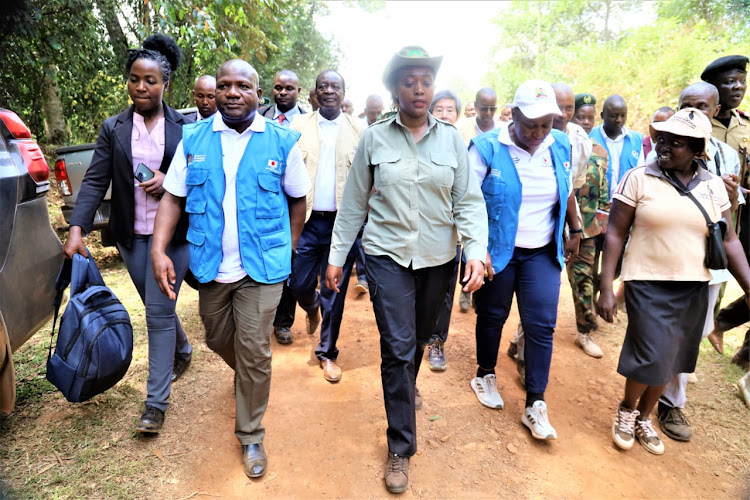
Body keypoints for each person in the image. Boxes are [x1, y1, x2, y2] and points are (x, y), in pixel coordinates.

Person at [325, 46, 487, 494]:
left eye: (426, 81)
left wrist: (475, 250)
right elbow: (355, 202)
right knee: (396, 348)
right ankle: (400, 446)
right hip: (385, 257)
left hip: (438, 259)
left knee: (416, 340)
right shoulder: (375, 138)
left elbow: (469, 201)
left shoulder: (453, 139)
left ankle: (406, 383)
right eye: (409, 81)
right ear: (395, 89)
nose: (419, 88)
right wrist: (338, 256)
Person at [151, 59, 310, 478]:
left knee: (255, 348)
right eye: (224, 86)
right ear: (214, 93)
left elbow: (298, 199)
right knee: (218, 337)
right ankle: (251, 378)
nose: (232, 92)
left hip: (263, 268)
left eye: (243, 85)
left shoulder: (282, 142)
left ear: (258, 94)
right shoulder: (194, 140)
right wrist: (158, 248)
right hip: (211, 266)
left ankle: (251, 433)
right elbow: (172, 197)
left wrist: (288, 248)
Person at [597, 108, 750, 456]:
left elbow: (729, 241)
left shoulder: (714, 187)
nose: (664, 147)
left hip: (694, 285)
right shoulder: (638, 178)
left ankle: (644, 417)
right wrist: (607, 287)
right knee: (651, 353)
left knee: (673, 359)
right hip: (646, 282)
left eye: (675, 143)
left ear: (698, 149)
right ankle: (626, 409)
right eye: (662, 140)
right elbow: (615, 233)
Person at [62, 33, 194, 433]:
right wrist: (76, 228)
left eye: (150, 80)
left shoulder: (186, 126)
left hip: (174, 237)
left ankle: (155, 404)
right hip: (132, 237)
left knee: (156, 314)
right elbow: (95, 180)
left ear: (165, 84)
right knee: (159, 304)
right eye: (135, 79)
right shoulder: (113, 127)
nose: (141, 86)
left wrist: (168, 179)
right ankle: (183, 348)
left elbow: (201, 176)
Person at [469, 79, 581, 442]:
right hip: (498, 250)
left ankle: (536, 402)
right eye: (530, 123)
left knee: (541, 324)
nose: (538, 132)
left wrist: (575, 227)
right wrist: (476, 247)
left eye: (546, 124)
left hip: (542, 251)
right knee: (492, 315)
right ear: (513, 114)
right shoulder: (487, 148)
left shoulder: (559, 144)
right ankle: (485, 373)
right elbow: (467, 201)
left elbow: (568, 190)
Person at [657, 82, 742, 443]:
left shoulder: (728, 155)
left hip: (711, 264)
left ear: (716, 109)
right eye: (686, 105)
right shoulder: (663, 151)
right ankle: (656, 400)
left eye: (702, 106)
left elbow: (729, 218)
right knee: (662, 334)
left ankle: (670, 398)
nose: (694, 112)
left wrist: (734, 197)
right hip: (669, 261)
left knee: (691, 333)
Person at [288, 70, 364, 383]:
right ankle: (311, 305)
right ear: (315, 93)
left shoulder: (360, 129)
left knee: (335, 289)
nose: (329, 90)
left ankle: (327, 353)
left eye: (335, 86)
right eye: (323, 86)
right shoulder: (298, 127)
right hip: (305, 222)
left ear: (344, 92)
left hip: (341, 225)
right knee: (298, 285)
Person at [702, 55, 750, 374]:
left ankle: (744, 351)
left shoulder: (746, 124)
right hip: (711, 219)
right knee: (712, 283)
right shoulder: (700, 121)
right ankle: (706, 327)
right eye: (729, 82)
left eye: (741, 81)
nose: (737, 87)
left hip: (743, 218)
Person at [257, 70, 307, 345]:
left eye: (289, 88)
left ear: (299, 91)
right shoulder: (260, 117)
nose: (283, 93)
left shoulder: (308, 122)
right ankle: (262, 320)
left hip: (297, 202)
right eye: (278, 87)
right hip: (265, 202)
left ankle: (284, 323)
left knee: (290, 263)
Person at [426, 89, 463, 371]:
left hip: (454, 236)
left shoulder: (465, 147)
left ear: (458, 115)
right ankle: (414, 339)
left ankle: (436, 341)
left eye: (450, 110)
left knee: (446, 293)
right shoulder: (421, 144)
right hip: (421, 234)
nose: (444, 115)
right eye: (439, 109)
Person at [590, 95, 645, 199]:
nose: (619, 120)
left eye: (623, 115)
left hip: (625, 204)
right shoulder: (589, 137)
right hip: (595, 205)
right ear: (602, 115)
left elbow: (640, 175)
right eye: (613, 116)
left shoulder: (636, 140)